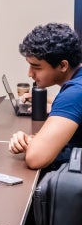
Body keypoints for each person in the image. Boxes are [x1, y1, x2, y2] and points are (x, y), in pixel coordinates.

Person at [9, 23, 82, 170]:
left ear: (63, 65)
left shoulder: (74, 93)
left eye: (36, 67)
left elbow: (35, 158)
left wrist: (32, 144)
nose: (30, 74)